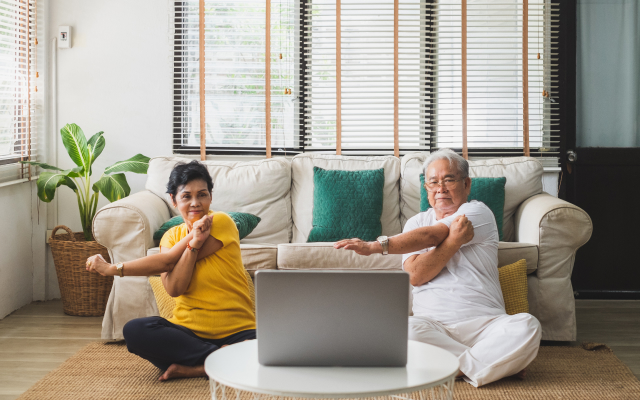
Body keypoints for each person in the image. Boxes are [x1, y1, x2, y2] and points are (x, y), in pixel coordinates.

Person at [334, 149, 541, 387]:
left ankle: (451, 367)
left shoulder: (478, 212)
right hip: (433, 327)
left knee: (527, 326)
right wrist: (454, 242)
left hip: (486, 325)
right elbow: (415, 275)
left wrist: (374, 246)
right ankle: (494, 363)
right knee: (401, 330)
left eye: (449, 180)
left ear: (466, 184)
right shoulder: (416, 224)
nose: (440, 188)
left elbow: (434, 235)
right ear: (426, 189)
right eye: (433, 182)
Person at [86, 160, 256, 381]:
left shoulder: (222, 221)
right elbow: (175, 288)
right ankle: (222, 360)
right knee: (135, 331)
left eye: (202, 195)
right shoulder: (170, 237)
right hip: (188, 334)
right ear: (173, 200)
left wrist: (112, 269)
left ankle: (200, 367)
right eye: (186, 196)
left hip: (238, 331)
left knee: (282, 348)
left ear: (210, 197)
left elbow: (167, 262)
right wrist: (193, 244)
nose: (195, 203)